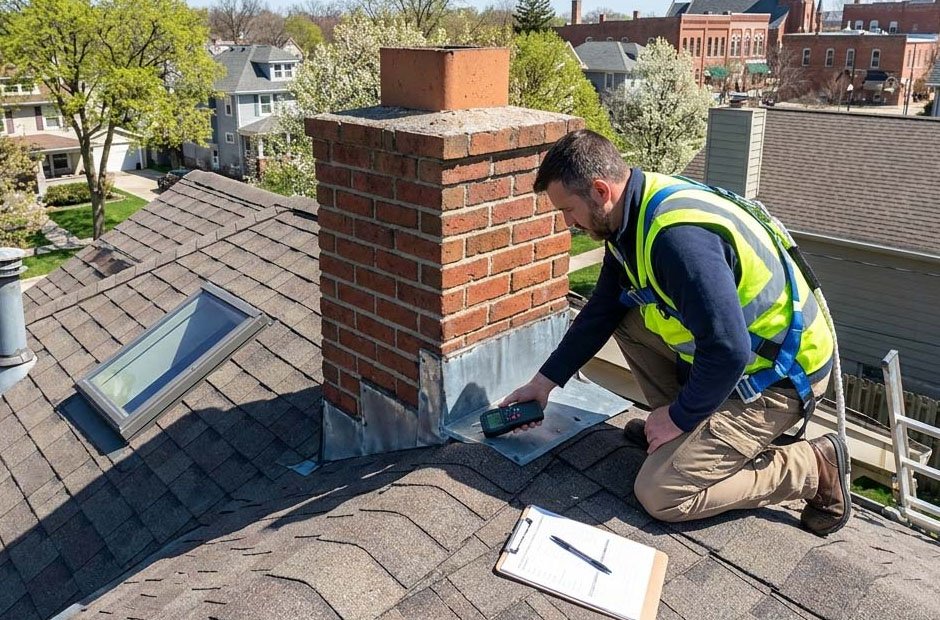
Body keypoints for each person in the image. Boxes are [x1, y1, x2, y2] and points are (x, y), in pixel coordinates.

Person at [501, 130, 851, 536]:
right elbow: (602, 310)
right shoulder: (630, 216)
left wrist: (680, 416)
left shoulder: (675, 240)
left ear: (599, 190)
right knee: (627, 320)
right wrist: (543, 384)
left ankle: (813, 468)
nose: (568, 223)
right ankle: (686, 440)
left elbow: (728, 350)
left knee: (660, 493)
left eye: (568, 210)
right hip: (740, 359)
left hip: (780, 377)